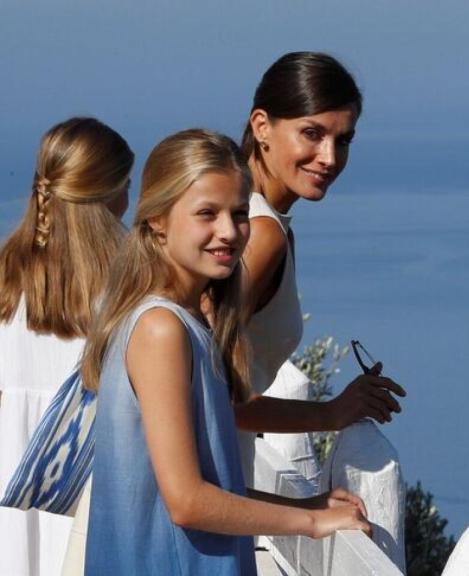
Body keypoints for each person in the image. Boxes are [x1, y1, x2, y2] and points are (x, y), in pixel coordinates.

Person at [78, 129, 370, 574]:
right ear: (157, 219)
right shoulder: (161, 329)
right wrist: (310, 521)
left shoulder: (182, 321)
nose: (229, 232)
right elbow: (187, 501)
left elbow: (211, 485)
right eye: (206, 214)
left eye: (239, 213)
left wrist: (306, 502)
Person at [233, 52, 406, 484]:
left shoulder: (238, 217)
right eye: (312, 133)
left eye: (342, 140)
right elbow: (211, 398)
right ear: (262, 127)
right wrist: (331, 413)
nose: (329, 157)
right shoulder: (261, 234)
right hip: (204, 484)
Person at [0, 117, 133, 576]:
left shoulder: (5, 274)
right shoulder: (129, 285)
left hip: (8, 474)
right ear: (110, 195)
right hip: (88, 472)